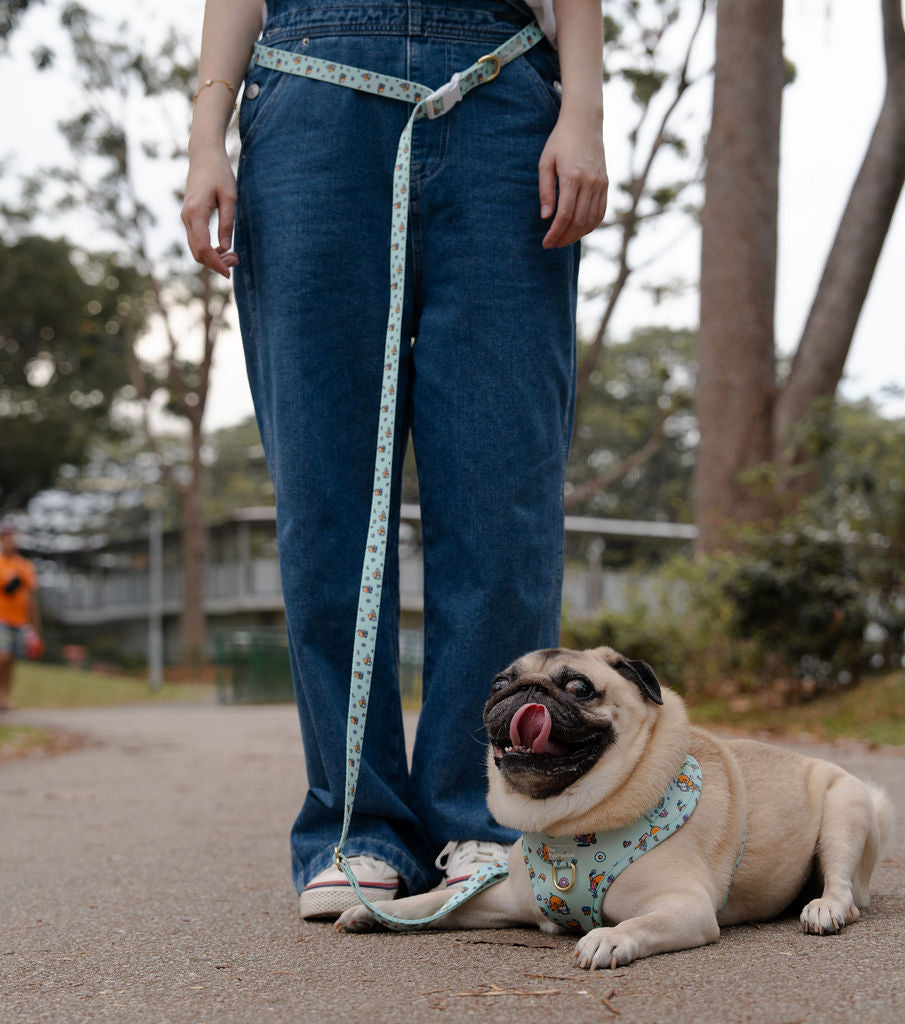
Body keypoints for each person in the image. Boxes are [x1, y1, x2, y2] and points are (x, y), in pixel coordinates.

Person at [182, 0, 606, 920]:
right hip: (312, 102)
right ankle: (355, 824)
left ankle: (488, 822)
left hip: (500, 90)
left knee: (505, 496)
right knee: (326, 495)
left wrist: (584, 110)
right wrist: (207, 134)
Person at [0, 524, 42, 712]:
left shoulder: (25, 566)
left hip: (20, 621)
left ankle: (5, 697)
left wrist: (34, 627)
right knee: (3, 655)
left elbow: (31, 599)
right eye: (7, 537)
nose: (11, 540)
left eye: (13, 537)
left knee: (11, 661)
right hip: (1, 620)